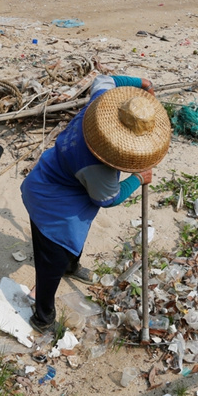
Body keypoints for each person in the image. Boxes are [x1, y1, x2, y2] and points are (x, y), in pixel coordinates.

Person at [20, 74, 171, 333]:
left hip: (56, 178)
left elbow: (103, 78)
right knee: (50, 259)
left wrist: (141, 82)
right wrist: (138, 178)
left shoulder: (101, 104)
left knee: (74, 237)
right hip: (51, 203)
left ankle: (71, 266)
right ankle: (42, 317)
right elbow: (108, 199)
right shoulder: (97, 168)